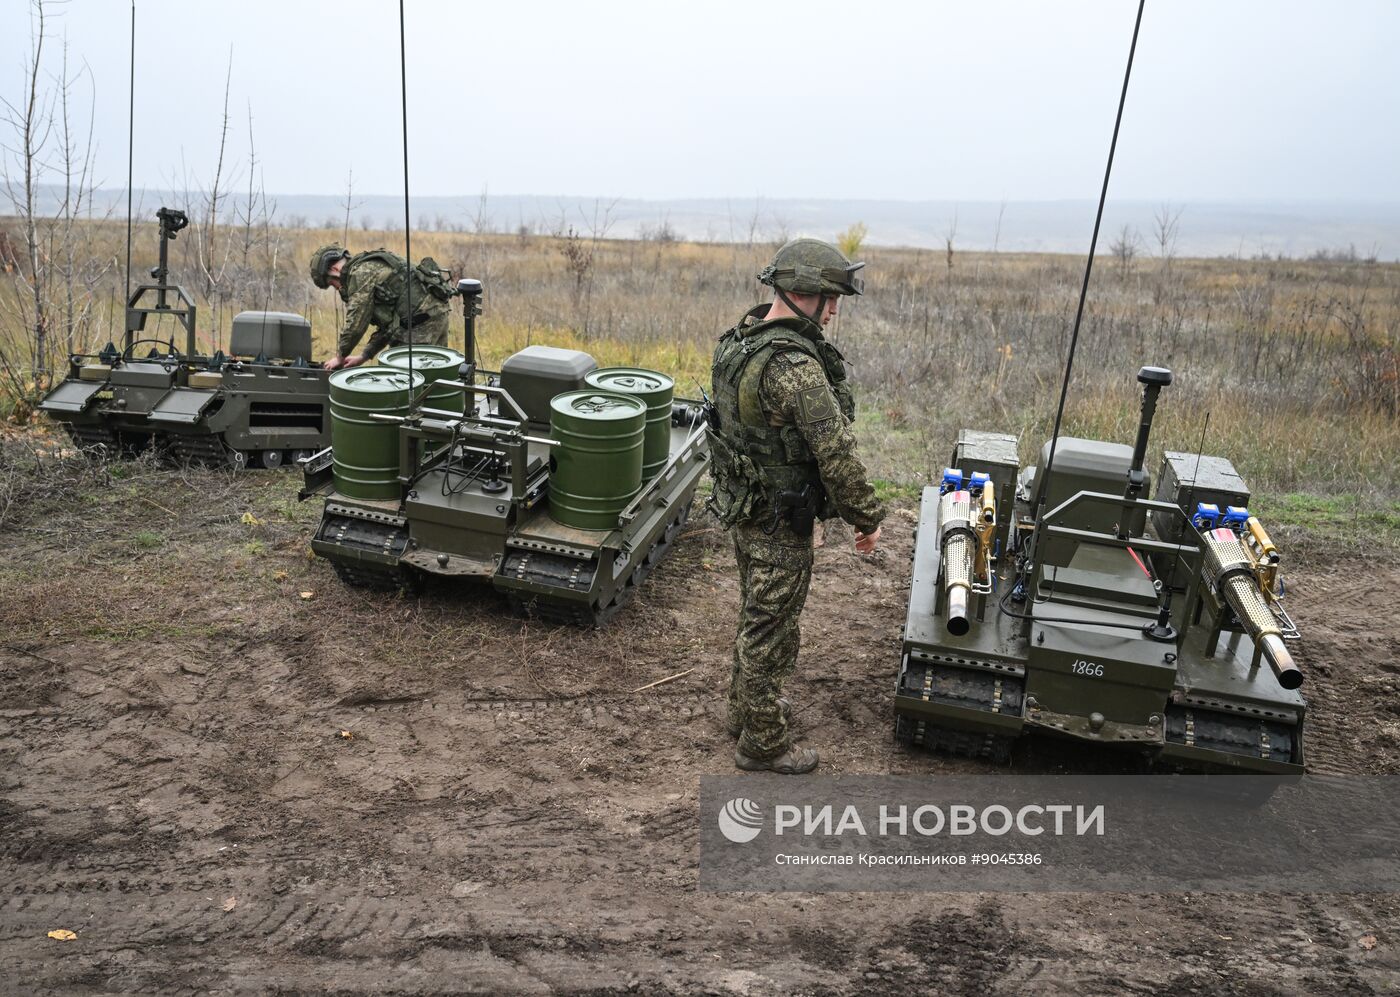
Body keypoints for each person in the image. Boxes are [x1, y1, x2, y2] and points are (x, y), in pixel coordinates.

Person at [707, 238, 886, 775]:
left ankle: (746, 711)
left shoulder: (741, 340)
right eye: (829, 297)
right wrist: (866, 516)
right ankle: (762, 742)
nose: (834, 310)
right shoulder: (795, 367)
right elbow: (836, 453)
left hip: (745, 506)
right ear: (802, 292)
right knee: (772, 629)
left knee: (756, 615)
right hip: (780, 519)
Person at [307, 245, 455, 371]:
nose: (338, 288)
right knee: (436, 376)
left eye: (333, 284)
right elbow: (391, 325)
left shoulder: (360, 274)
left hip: (420, 324)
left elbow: (356, 323)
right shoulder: (368, 267)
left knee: (402, 383)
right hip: (435, 315)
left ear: (334, 270)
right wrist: (364, 356)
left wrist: (340, 357)